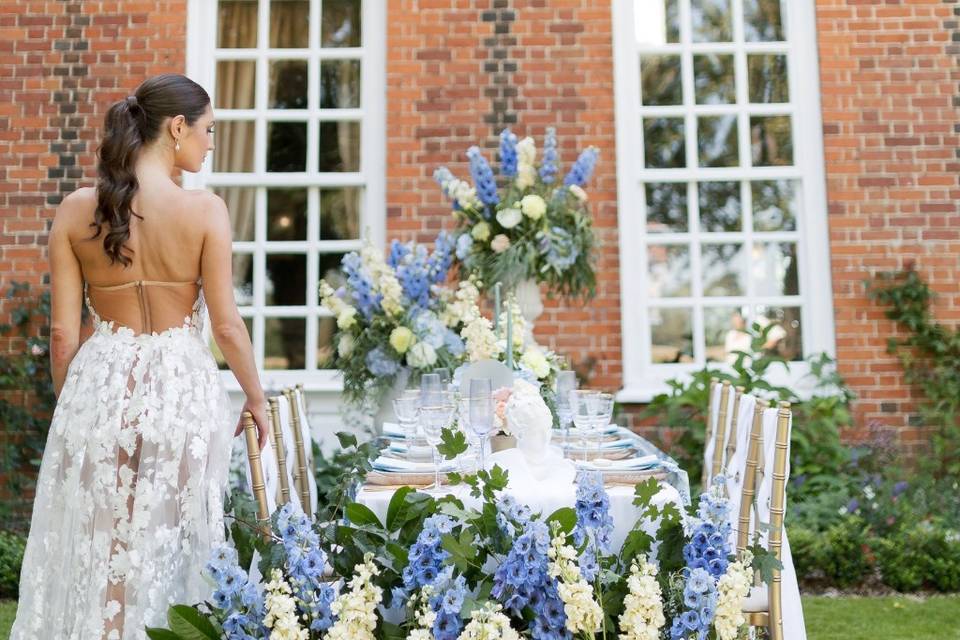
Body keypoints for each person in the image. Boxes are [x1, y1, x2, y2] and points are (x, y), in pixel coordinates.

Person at [10, 74, 270, 640]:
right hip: (180, 390)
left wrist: (76, 403)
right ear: (177, 128)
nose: (210, 142)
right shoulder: (205, 212)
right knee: (172, 537)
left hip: (100, 387)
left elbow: (62, 334)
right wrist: (256, 397)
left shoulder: (76, 211)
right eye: (208, 131)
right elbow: (226, 325)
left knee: (101, 544)